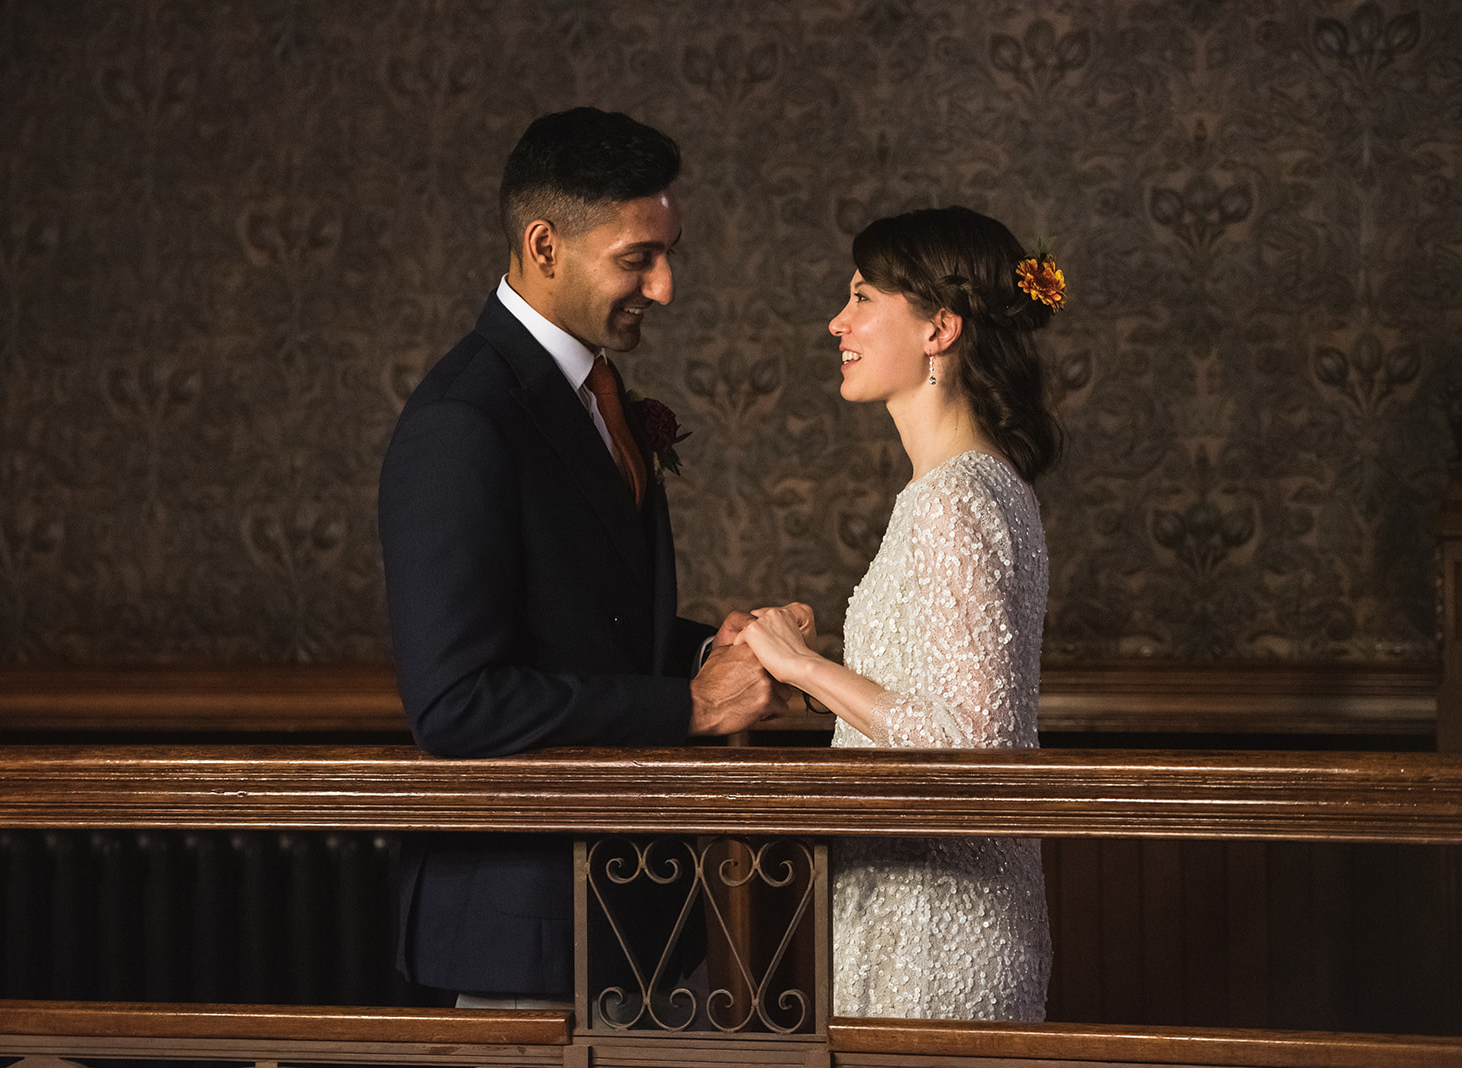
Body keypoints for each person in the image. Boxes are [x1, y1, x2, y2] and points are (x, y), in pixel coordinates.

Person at [377, 107, 789, 1008]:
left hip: (635, 906)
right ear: (544, 246)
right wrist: (689, 705)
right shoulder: (461, 420)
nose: (665, 287)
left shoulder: (597, 387)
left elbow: (589, 623)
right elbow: (454, 704)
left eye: (670, 254)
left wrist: (715, 650)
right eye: (638, 258)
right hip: (525, 926)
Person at [740, 206, 1062, 1020]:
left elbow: (974, 743)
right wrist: (822, 680)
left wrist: (804, 666)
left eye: (861, 297)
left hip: (937, 923)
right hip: (921, 901)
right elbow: (933, 696)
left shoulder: (954, 500)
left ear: (939, 329)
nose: (837, 322)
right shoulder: (980, 486)